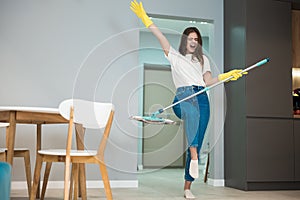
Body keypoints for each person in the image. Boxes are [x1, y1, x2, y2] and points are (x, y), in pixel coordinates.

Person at [130, 0, 246, 199]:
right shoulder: (174, 56)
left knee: (198, 141)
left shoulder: (203, 60)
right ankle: (194, 156)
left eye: (197, 39)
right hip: (183, 97)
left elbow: (208, 81)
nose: (194, 41)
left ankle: (187, 187)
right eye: (190, 38)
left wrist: (227, 75)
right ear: (185, 40)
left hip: (202, 98)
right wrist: (145, 19)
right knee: (190, 112)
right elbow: (159, 36)